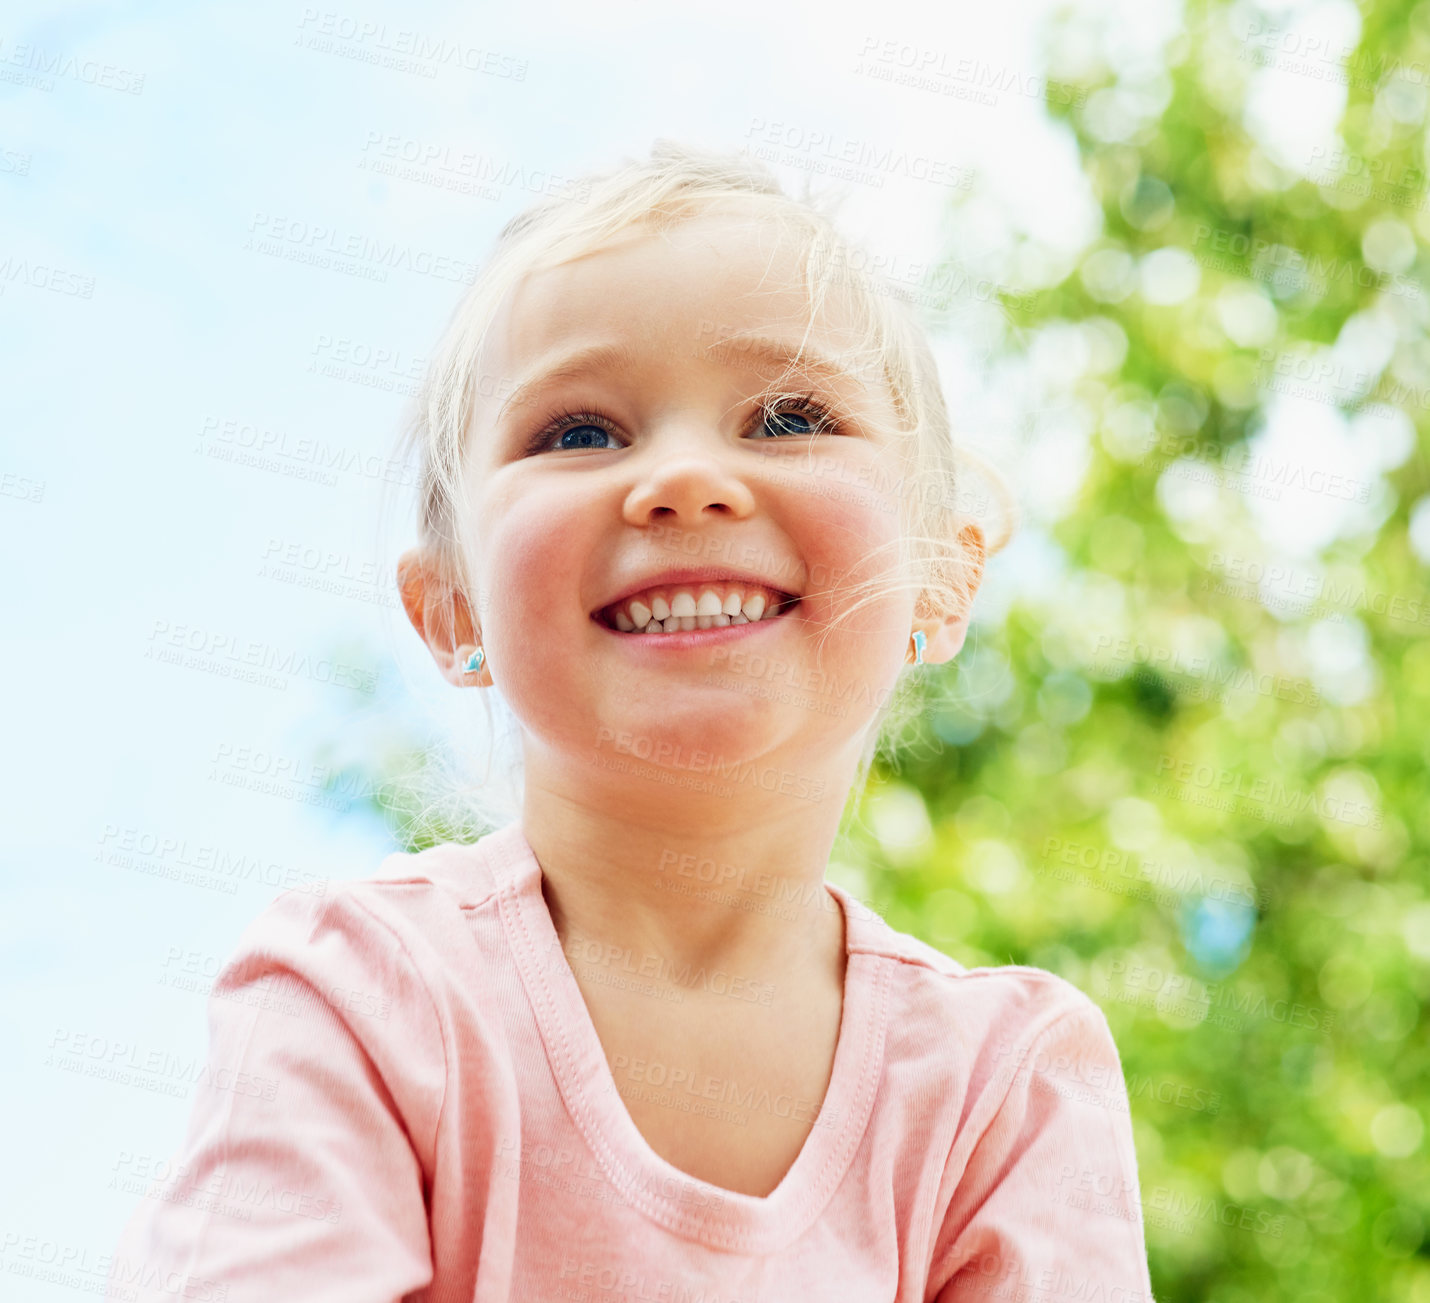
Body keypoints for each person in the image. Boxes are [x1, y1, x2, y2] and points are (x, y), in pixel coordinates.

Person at [104, 140, 1154, 1302]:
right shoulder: (361, 996)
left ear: (941, 577)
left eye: (790, 415)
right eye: (579, 434)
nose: (686, 479)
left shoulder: (1003, 1089)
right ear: (451, 606)